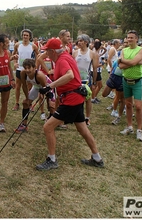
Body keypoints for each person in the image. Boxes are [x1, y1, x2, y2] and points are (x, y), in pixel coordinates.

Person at [36, 38, 104, 171]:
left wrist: (50, 87)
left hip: (72, 99)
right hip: (76, 97)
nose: (46, 55)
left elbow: (70, 75)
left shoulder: (61, 60)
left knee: (48, 127)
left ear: (52, 51)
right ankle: (97, 158)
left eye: (47, 52)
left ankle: (52, 160)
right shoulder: (65, 56)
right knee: (82, 129)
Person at [118, 30, 142, 142]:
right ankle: (129, 127)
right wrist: (134, 62)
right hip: (126, 80)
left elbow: (131, 62)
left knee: (138, 106)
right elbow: (120, 66)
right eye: (128, 37)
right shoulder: (124, 50)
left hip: (137, 81)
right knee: (128, 104)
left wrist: (122, 60)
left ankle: (139, 130)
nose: (129, 39)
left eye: (132, 37)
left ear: (136, 39)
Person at [15, 58, 56, 133]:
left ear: (34, 68)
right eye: (25, 68)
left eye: (29, 68)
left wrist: (43, 95)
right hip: (37, 87)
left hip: (48, 88)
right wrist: (27, 98)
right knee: (25, 103)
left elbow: (45, 89)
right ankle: (24, 125)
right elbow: (24, 86)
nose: (27, 70)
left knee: (51, 106)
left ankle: (54, 122)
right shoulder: (23, 73)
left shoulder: (39, 76)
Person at [72, 34, 99, 126]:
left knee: (87, 99)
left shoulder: (92, 53)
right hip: (76, 79)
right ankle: (76, 116)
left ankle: (87, 118)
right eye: (78, 41)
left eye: (81, 41)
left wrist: (94, 82)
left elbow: (94, 69)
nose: (79, 42)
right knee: (75, 98)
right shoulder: (75, 52)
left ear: (86, 42)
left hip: (87, 79)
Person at [12, 29, 39, 111]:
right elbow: (14, 54)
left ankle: (29, 103)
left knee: (29, 87)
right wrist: (15, 62)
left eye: (27, 35)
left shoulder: (33, 45)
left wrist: (36, 65)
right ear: (22, 36)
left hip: (29, 70)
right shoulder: (17, 44)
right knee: (18, 86)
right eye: (24, 35)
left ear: (30, 36)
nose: (25, 36)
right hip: (20, 68)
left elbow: (38, 55)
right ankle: (16, 103)